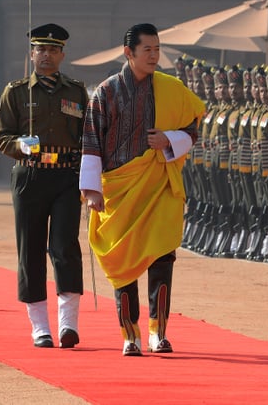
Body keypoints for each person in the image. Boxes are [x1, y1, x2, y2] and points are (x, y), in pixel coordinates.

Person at [80, 23, 205, 356]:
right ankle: (129, 333)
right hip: (118, 188)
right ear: (128, 53)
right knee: (121, 259)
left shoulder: (171, 88)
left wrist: (170, 140)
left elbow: (193, 129)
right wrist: (91, 190)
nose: (154, 56)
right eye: (147, 50)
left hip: (159, 182)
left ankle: (157, 332)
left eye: (157, 49)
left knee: (163, 254)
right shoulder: (104, 94)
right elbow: (90, 142)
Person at [0, 23, 87, 349]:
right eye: (40, 49)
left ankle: (68, 324)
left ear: (62, 54)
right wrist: (21, 145)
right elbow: (1, 137)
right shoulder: (16, 92)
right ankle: (40, 327)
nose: (46, 55)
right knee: (30, 249)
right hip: (30, 175)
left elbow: (85, 137)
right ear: (31, 53)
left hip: (65, 176)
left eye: (52, 50)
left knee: (64, 246)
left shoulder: (76, 92)